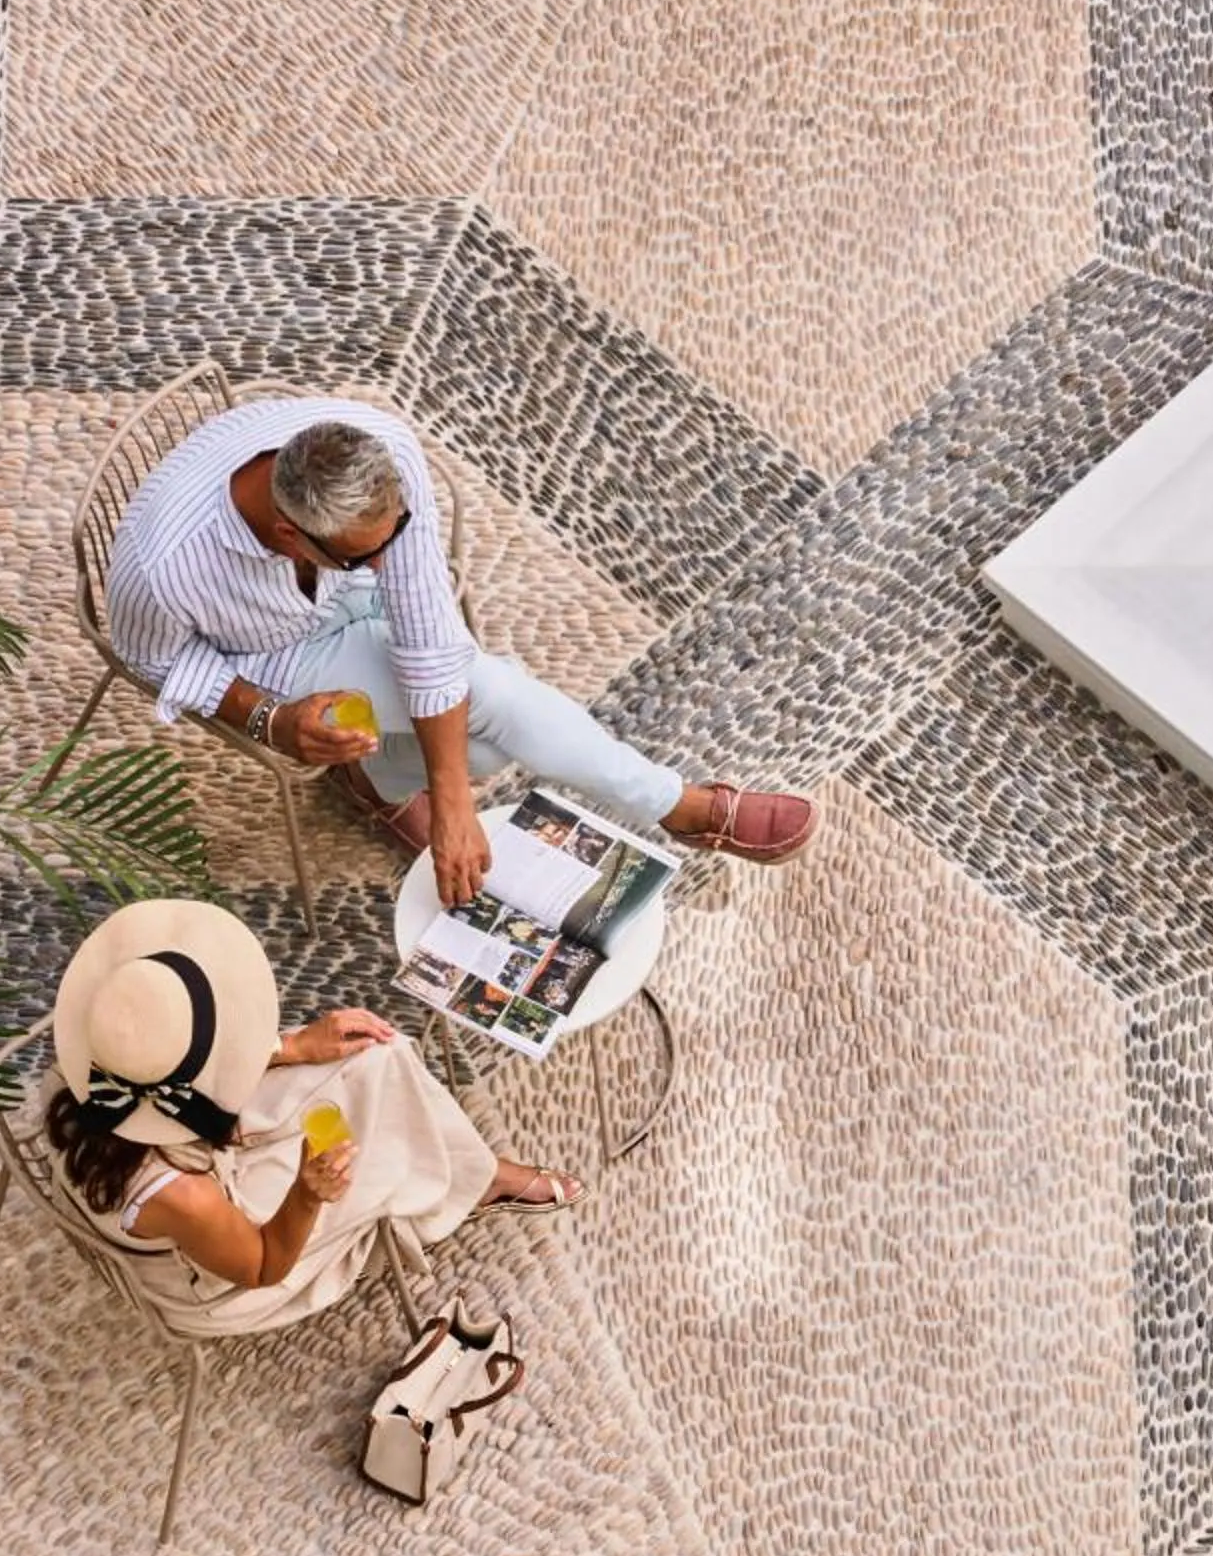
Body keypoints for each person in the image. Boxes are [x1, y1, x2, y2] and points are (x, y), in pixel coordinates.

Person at [103, 392, 816, 906]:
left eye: (397, 537)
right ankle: (680, 805)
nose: (389, 567)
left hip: (336, 604)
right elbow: (155, 660)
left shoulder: (378, 455)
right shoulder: (161, 568)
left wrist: (451, 804)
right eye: (365, 557)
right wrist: (270, 720)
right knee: (493, 713)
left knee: (478, 745)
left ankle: (384, 784)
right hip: (273, 651)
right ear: (292, 537)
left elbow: (429, 642)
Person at [43, 899, 584, 1334]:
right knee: (378, 1151)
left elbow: (187, 1063)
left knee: (378, 1055)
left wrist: (294, 1046)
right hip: (227, 1264)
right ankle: (483, 1176)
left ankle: (478, 1171)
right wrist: (307, 1194)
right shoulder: (184, 1196)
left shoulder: (99, 1043)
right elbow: (263, 1267)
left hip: (182, 1139)